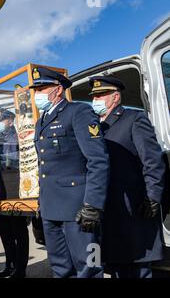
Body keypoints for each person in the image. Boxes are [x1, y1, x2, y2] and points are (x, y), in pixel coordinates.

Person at [31, 67, 110, 278]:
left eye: (42, 88)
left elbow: (98, 160)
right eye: (36, 89)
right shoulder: (41, 122)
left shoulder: (78, 112)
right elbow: (45, 166)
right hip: (51, 207)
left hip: (78, 208)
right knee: (60, 268)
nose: (37, 93)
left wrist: (92, 204)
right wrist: (41, 203)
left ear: (58, 90)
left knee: (89, 268)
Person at [89, 76, 166, 278]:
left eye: (100, 94)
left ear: (116, 96)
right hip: (106, 209)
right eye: (94, 96)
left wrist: (153, 197)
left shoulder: (134, 119)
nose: (95, 99)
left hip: (133, 207)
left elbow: (153, 161)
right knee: (115, 266)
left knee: (138, 268)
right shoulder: (94, 126)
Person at [0, 110, 29, 278]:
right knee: (5, 231)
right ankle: (10, 264)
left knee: (19, 231)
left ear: (11, 120)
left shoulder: (20, 136)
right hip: (1, 188)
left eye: (3, 119)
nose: (1, 122)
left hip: (16, 186)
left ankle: (20, 269)